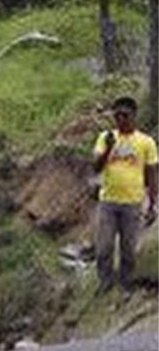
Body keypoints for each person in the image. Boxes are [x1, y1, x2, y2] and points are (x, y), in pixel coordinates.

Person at [92, 96, 158, 294]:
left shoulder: (146, 142)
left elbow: (152, 174)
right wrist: (109, 149)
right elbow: (96, 168)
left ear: (133, 116)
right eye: (117, 115)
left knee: (128, 248)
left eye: (125, 115)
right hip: (108, 202)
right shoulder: (106, 138)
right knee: (104, 246)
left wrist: (152, 203)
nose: (121, 119)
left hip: (133, 202)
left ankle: (126, 282)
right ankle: (105, 280)